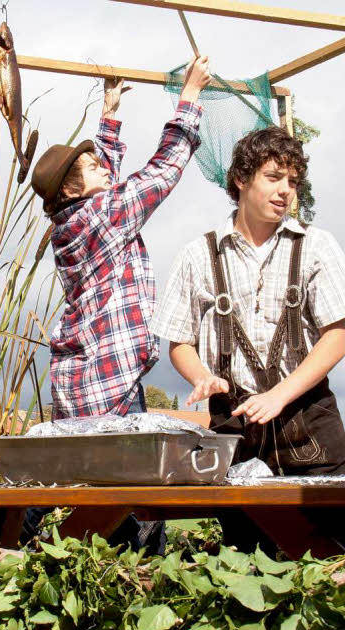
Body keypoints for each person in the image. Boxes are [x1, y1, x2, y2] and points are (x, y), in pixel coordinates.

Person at [150, 125, 345, 556]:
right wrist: (203, 377)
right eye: (274, 177)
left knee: (344, 566)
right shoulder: (199, 254)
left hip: (310, 430)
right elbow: (179, 341)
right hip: (236, 432)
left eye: (293, 181)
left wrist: (279, 396)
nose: (286, 190)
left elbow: (336, 338)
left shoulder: (316, 246)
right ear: (241, 180)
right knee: (248, 572)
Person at [31, 55, 212, 419]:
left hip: (78, 382)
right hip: (112, 387)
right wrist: (189, 96)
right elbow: (162, 172)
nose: (104, 170)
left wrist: (109, 114)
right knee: (120, 475)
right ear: (69, 190)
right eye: (93, 168)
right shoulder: (104, 214)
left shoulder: (69, 225)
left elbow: (102, 182)